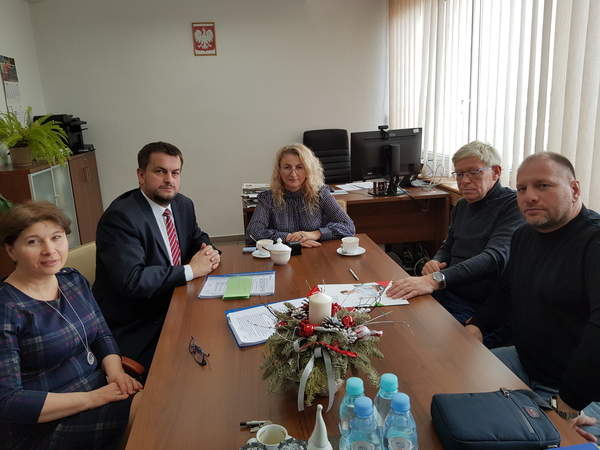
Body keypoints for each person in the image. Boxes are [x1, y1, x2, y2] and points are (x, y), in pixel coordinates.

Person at [466, 153, 600, 442]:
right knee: (453, 387)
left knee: (559, 442)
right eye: (522, 189)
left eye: (543, 186)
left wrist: (569, 402)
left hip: (581, 390)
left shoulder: (594, 241)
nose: (529, 197)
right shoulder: (524, 235)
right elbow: (506, 291)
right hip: (525, 363)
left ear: (574, 189)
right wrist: (477, 325)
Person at [0, 201, 142, 449]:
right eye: (33, 242)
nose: (49, 250)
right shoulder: (7, 308)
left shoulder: (73, 280)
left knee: (163, 404)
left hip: (99, 388)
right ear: (11, 250)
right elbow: (9, 402)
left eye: (56, 237)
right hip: (43, 423)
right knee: (151, 412)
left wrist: (116, 373)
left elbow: (101, 333)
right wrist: (93, 398)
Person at [94, 141, 220, 370]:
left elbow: (197, 237)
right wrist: (191, 270)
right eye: (160, 171)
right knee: (194, 370)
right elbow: (133, 280)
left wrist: (209, 252)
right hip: (141, 322)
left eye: (175, 173)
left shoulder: (182, 204)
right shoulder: (121, 217)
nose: (169, 180)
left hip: (177, 303)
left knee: (221, 337)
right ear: (141, 175)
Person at [388, 142, 523, 335]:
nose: (464, 181)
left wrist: (435, 279)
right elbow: (448, 246)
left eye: (473, 172)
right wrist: (436, 261)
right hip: (448, 291)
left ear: (496, 172)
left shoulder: (513, 206)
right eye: (459, 174)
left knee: (417, 337)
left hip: (479, 308)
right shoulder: (462, 206)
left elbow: (494, 258)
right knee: (394, 318)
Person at [246, 143, 355, 247]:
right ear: (279, 170)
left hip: (316, 253)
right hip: (282, 255)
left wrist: (316, 234)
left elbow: (348, 226)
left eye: (299, 167)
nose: (293, 174)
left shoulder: (321, 194)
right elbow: (253, 233)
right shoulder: (267, 198)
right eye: (287, 167)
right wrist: (289, 238)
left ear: (308, 170)